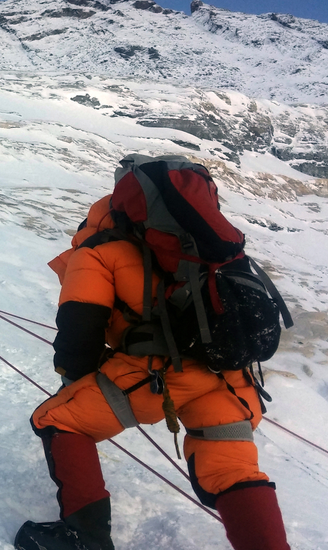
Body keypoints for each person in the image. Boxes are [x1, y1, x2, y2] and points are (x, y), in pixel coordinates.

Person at [18, 174, 291, 548]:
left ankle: (84, 539)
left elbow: (78, 331)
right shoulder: (207, 245)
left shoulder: (98, 250)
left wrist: (76, 382)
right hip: (228, 377)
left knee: (59, 420)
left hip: (155, 375)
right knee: (231, 468)